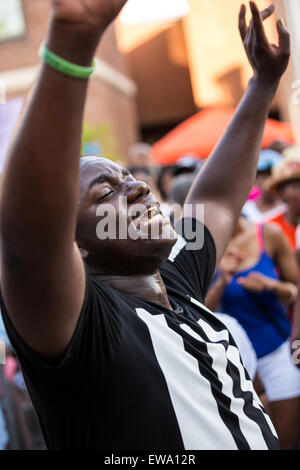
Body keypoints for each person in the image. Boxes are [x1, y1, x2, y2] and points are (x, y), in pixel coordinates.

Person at [0, 0, 290, 450]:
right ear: (74, 249)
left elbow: (213, 199)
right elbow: (30, 239)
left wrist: (262, 85)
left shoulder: (174, 282)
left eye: (128, 178)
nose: (136, 189)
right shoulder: (85, 327)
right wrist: (73, 41)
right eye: (105, 195)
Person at [205, 216, 300, 449]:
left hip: (278, 352)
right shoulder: (202, 245)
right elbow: (195, 313)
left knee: (285, 440)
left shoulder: (269, 234)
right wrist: (222, 282)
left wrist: (273, 286)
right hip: (232, 364)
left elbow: (296, 290)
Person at [242, 149, 286, 223]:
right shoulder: (245, 211)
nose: (270, 180)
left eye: (272, 174)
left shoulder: (288, 210)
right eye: (264, 176)